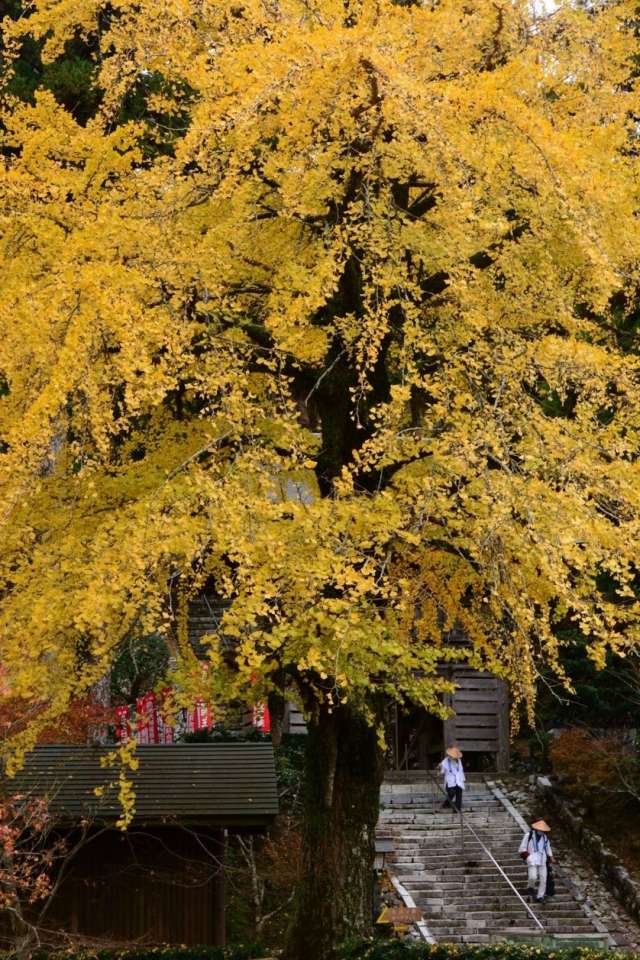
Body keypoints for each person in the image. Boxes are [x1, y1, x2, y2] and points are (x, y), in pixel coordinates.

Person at [519, 819, 554, 903]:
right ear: (536, 829)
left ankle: (540, 896)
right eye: (540, 830)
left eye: (543, 830)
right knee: (533, 877)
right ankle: (530, 887)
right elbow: (522, 848)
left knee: (543, 879)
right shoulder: (529, 835)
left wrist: (551, 856)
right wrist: (528, 858)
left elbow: (548, 848)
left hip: (542, 859)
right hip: (532, 859)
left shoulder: (545, 838)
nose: (541, 831)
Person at [439, 746, 465, 812]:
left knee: (459, 794)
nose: (450, 756)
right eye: (450, 755)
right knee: (451, 793)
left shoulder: (459, 761)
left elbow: (461, 770)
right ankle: (446, 803)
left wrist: (462, 779)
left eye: (452, 756)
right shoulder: (446, 761)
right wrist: (440, 769)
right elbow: (442, 770)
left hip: (458, 780)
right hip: (450, 781)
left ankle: (457, 810)